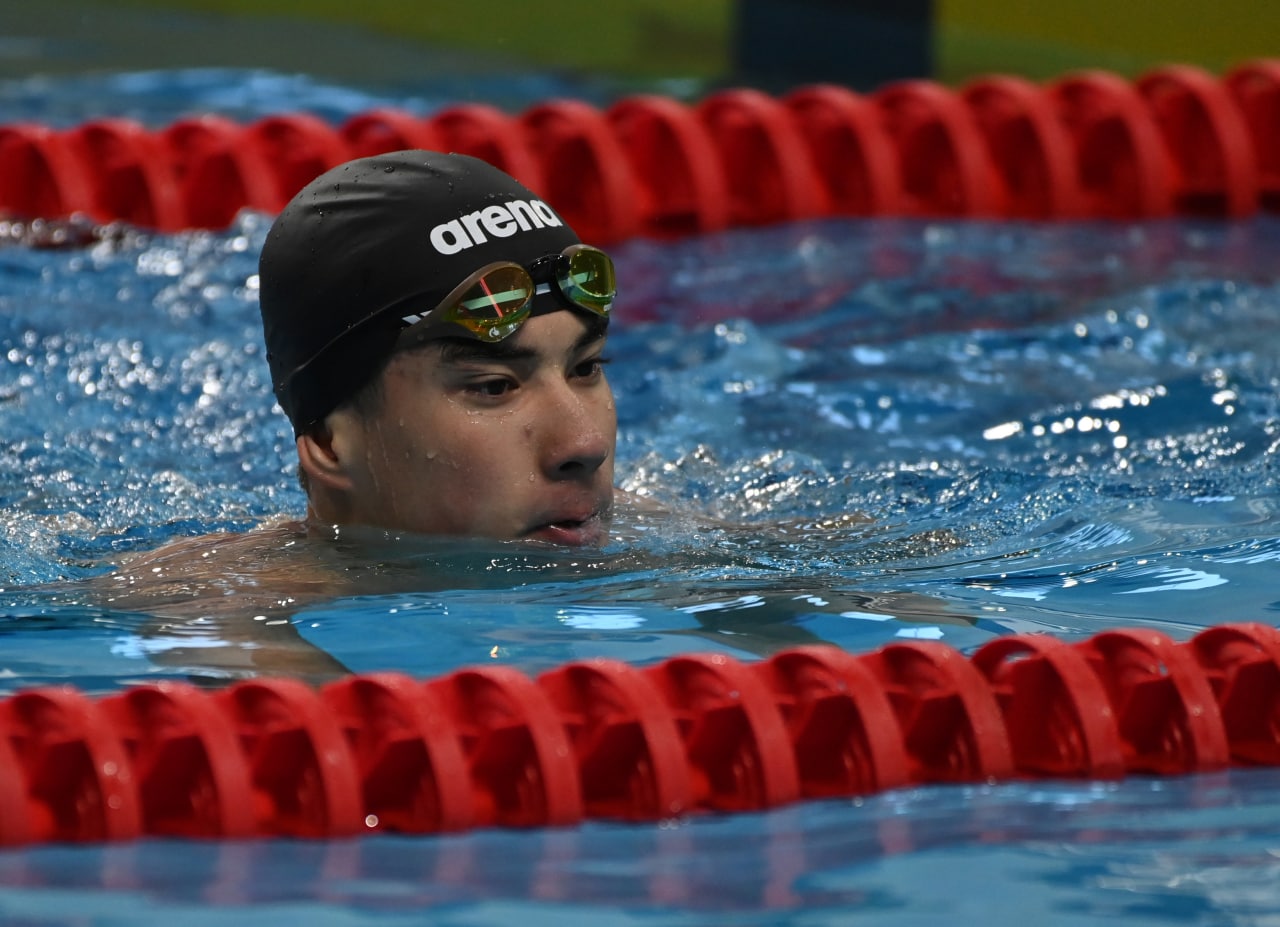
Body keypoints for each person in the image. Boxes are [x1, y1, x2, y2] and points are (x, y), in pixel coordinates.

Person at [260, 148, 619, 546]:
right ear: (329, 443)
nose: (587, 444)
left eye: (585, 368)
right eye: (494, 387)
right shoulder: (224, 587)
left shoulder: (670, 537)